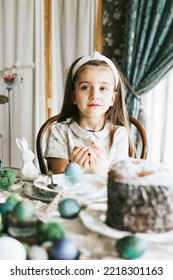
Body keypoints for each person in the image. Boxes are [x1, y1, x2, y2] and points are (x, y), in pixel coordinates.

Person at [44, 51, 134, 176]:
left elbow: (118, 182)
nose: (94, 95)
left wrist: (100, 170)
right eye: (85, 87)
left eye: (103, 88)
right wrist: (76, 169)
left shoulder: (119, 134)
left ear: (113, 99)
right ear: (74, 96)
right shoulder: (59, 131)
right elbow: (59, 182)